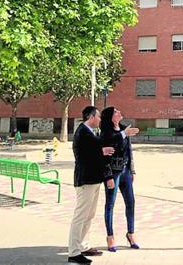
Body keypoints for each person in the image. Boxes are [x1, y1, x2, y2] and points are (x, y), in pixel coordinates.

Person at [68, 106, 115, 264]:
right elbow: (86, 155)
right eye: (99, 116)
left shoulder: (90, 132)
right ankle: (74, 252)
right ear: (92, 117)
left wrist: (102, 151)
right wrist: (102, 151)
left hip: (94, 180)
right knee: (80, 216)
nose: (100, 119)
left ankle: (83, 246)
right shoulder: (83, 132)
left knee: (89, 215)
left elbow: (95, 151)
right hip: (85, 180)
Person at [99, 107, 140, 252]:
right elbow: (105, 155)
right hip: (113, 173)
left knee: (130, 202)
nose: (119, 112)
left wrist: (132, 170)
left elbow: (129, 151)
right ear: (111, 116)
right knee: (110, 204)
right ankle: (110, 237)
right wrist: (108, 176)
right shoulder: (106, 132)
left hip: (125, 172)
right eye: (116, 111)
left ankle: (131, 233)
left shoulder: (124, 129)